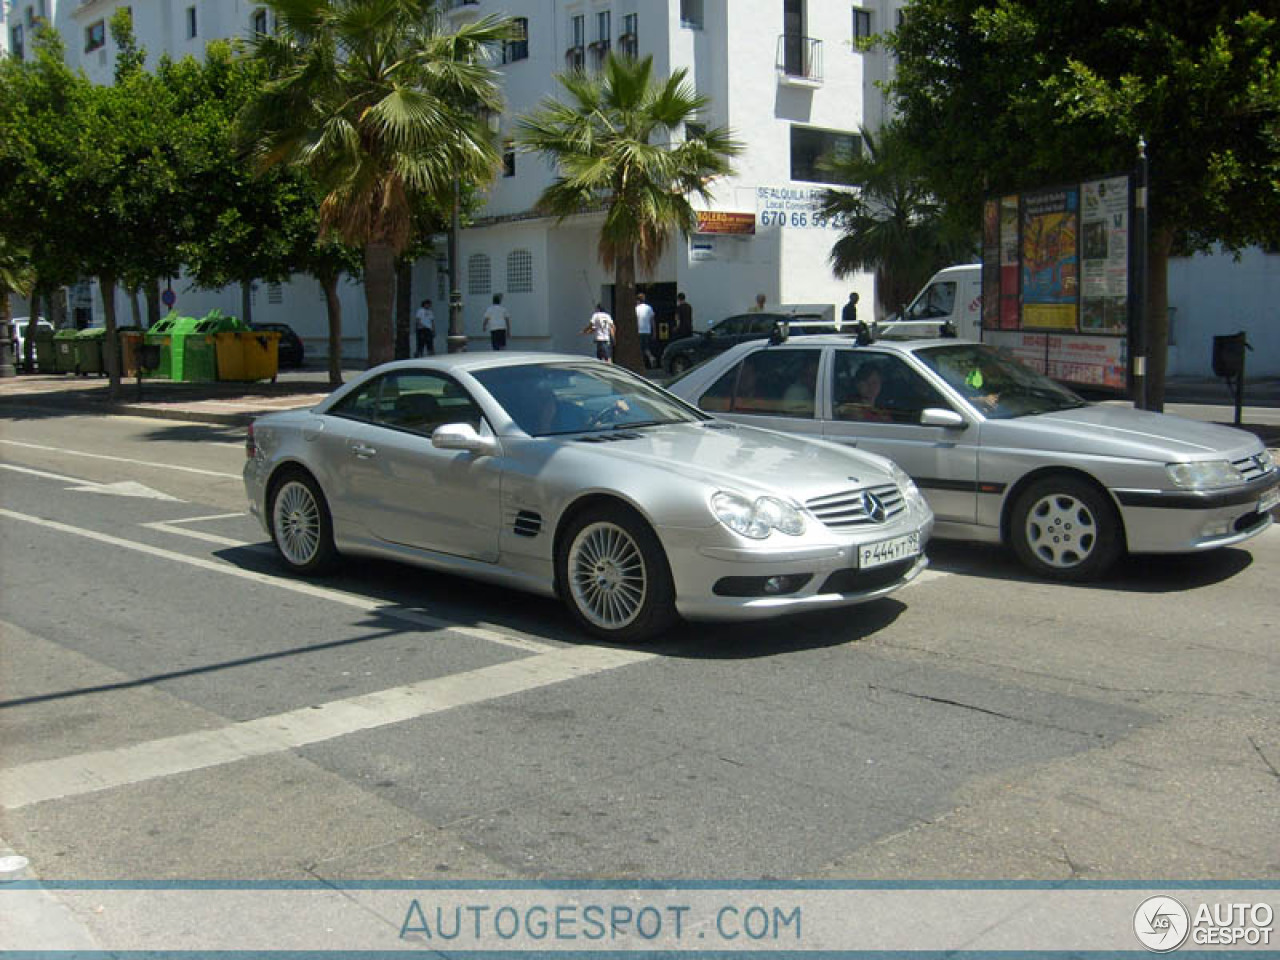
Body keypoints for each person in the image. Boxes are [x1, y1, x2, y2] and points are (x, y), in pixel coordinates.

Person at [635, 292, 656, 368]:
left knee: (639, 349)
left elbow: (635, 321)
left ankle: (641, 363)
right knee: (646, 347)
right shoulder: (649, 308)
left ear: (638, 300)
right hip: (647, 331)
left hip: (639, 331)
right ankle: (651, 357)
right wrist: (654, 332)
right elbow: (652, 321)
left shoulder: (636, 309)